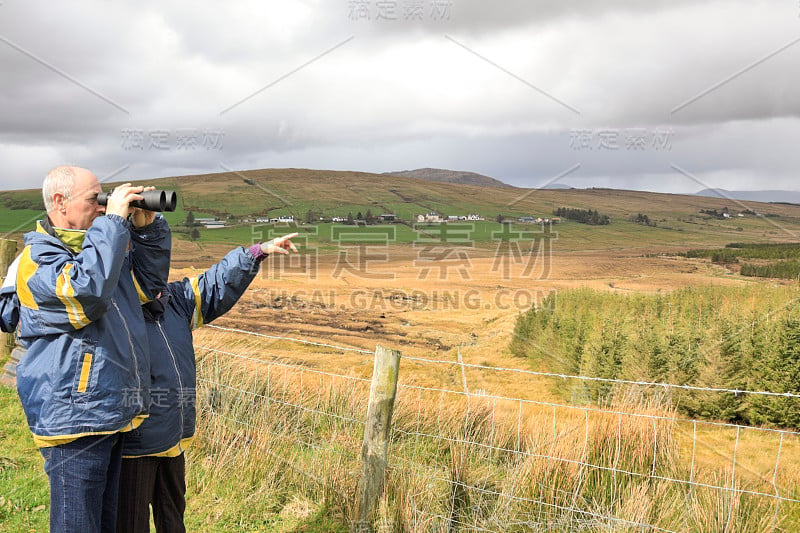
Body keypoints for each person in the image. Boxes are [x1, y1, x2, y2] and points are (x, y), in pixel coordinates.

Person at [13, 166, 171, 532]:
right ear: (59, 202)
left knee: (105, 523)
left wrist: (146, 230)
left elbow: (149, 288)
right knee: (78, 524)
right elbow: (86, 295)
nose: (102, 207)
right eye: (94, 200)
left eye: (105, 200)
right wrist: (114, 222)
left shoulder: (101, 249)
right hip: (74, 418)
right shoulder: (37, 259)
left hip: (110, 410)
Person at [116, 233, 298, 533]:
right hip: (135, 446)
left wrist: (257, 251)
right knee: (131, 525)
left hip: (175, 441)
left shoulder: (177, 300)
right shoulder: (116, 310)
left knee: (173, 519)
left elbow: (217, 282)